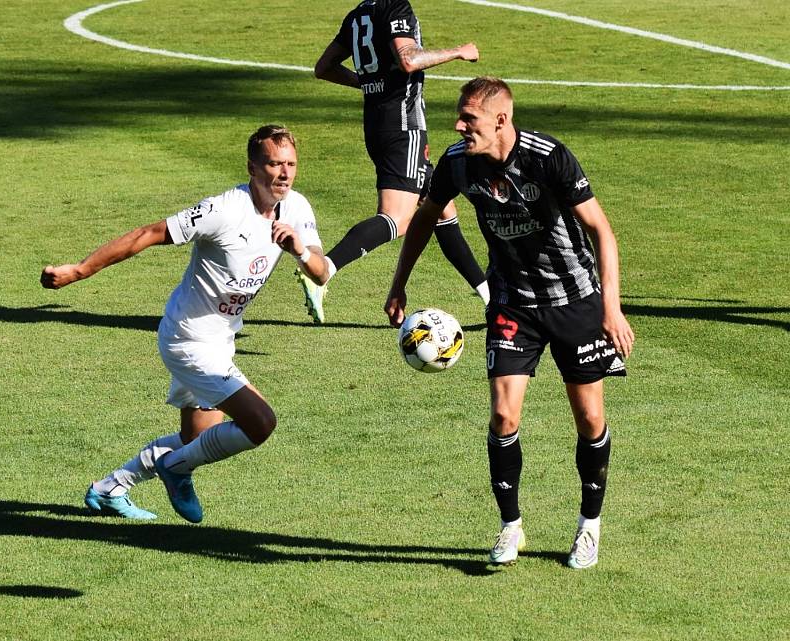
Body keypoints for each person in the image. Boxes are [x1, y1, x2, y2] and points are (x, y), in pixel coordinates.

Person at [385, 77, 635, 569]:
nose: (459, 126)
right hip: (512, 303)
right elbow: (424, 216)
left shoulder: (549, 158)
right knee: (504, 416)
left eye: (469, 119)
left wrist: (611, 307)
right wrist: (399, 282)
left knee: (589, 419)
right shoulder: (458, 162)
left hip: (575, 301)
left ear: (501, 121)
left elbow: (601, 230)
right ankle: (510, 526)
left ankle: (589, 526)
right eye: (460, 117)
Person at [40, 125, 329, 523]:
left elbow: (322, 273)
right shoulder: (223, 210)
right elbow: (149, 234)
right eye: (274, 163)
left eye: (291, 164)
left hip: (222, 337)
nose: (284, 173)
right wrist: (79, 271)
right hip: (188, 340)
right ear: (252, 166)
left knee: (197, 439)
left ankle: (111, 487)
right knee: (260, 422)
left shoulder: (297, 208)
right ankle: (175, 469)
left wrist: (298, 249)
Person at [296, 0, 489, 324]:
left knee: (441, 206)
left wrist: (368, 82)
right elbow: (409, 60)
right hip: (405, 128)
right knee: (396, 218)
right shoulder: (395, 7)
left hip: (377, 124)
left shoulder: (358, 14)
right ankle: (324, 269)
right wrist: (458, 51)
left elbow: (324, 67)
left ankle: (489, 294)